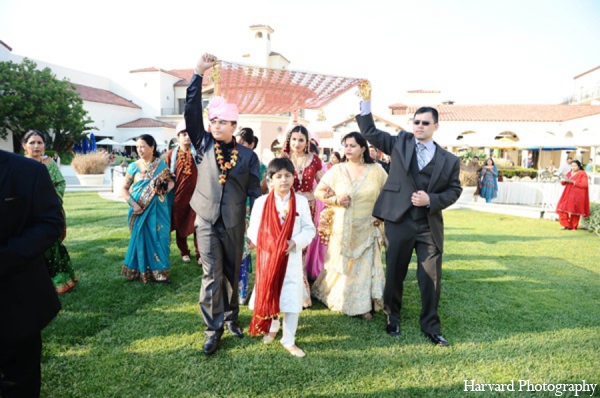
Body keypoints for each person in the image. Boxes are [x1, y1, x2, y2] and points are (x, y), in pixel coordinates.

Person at [355, 81, 462, 346]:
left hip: (428, 225)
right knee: (395, 273)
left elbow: (455, 190)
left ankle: (431, 326)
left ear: (436, 126)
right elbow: (369, 130)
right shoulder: (399, 143)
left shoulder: (450, 160)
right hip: (399, 220)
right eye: (416, 122)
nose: (420, 126)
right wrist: (366, 102)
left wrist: (431, 199)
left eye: (425, 123)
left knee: (430, 277)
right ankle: (393, 318)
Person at [185, 53, 262, 355]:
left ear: (234, 124)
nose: (215, 125)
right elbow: (192, 111)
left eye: (221, 122)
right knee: (211, 276)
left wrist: (259, 225)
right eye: (212, 121)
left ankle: (231, 318)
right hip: (205, 219)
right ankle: (212, 330)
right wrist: (197, 73)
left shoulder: (248, 157)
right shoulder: (203, 144)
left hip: (234, 222)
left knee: (231, 273)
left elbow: (255, 193)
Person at [0, 149, 63, 398]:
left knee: (20, 384)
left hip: (16, 304)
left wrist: (5, 257)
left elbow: (50, 223)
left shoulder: (28, 171)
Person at [312, 132, 388, 319]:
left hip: (368, 225)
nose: (348, 149)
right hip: (342, 227)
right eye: (345, 145)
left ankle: (363, 306)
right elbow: (318, 192)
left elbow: (388, 194)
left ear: (363, 148)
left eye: (353, 145)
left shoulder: (377, 170)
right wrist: (336, 200)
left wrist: (382, 215)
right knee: (344, 265)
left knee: (364, 265)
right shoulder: (337, 170)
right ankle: (341, 297)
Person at [247, 158, 316, 358]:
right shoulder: (261, 202)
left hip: (291, 259)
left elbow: (309, 229)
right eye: (278, 176)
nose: (283, 180)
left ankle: (289, 339)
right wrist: (270, 244)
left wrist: (294, 242)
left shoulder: (300, 202)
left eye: (288, 175)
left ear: (294, 177)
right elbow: (254, 230)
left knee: (291, 298)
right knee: (271, 292)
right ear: (270, 179)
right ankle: (272, 326)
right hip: (268, 258)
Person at [22, 130, 76, 294]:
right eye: (32, 143)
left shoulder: (50, 164)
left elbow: (60, 184)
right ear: (24, 146)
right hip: (25, 214)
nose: (36, 146)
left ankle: (56, 279)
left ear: (45, 145)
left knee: (51, 244)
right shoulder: (19, 165)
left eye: (39, 142)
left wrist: (50, 202)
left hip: (48, 213)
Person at [121, 134, 175, 284]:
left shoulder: (162, 165)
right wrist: (134, 204)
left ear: (152, 147)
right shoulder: (133, 167)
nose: (140, 150)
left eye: (143, 146)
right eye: (138, 147)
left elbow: (171, 183)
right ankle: (138, 271)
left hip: (158, 209)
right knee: (140, 238)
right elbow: (124, 189)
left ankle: (161, 272)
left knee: (160, 237)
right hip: (139, 210)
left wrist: (164, 189)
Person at [280, 124, 324, 307]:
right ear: (289, 141)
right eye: (294, 139)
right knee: (286, 245)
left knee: (302, 247)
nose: (297, 143)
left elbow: (323, 183)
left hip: (308, 207)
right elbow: (272, 181)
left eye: (301, 140)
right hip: (286, 207)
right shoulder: (283, 159)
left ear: (307, 143)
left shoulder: (314, 160)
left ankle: (302, 292)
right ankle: (285, 288)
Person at [165, 121, 200, 265]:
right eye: (183, 134)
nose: (187, 137)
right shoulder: (171, 155)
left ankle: (200, 254)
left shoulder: (198, 153)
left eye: (189, 134)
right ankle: (184, 251)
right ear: (178, 137)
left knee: (199, 225)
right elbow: (166, 174)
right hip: (178, 197)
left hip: (197, 196)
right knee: (180, 224)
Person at [556, 160, 590, 230]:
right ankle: (565, 224)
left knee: (575, 211)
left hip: (577, 195)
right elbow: (564, 183)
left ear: (579, 166)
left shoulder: (582, 173)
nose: (573, 167)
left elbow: (584, 185)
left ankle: (573, 226)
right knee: (561, 208)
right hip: (567, 193)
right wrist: (563, 181)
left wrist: (572, 181)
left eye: (575, 166)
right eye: (572, 166)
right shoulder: (569, 173)